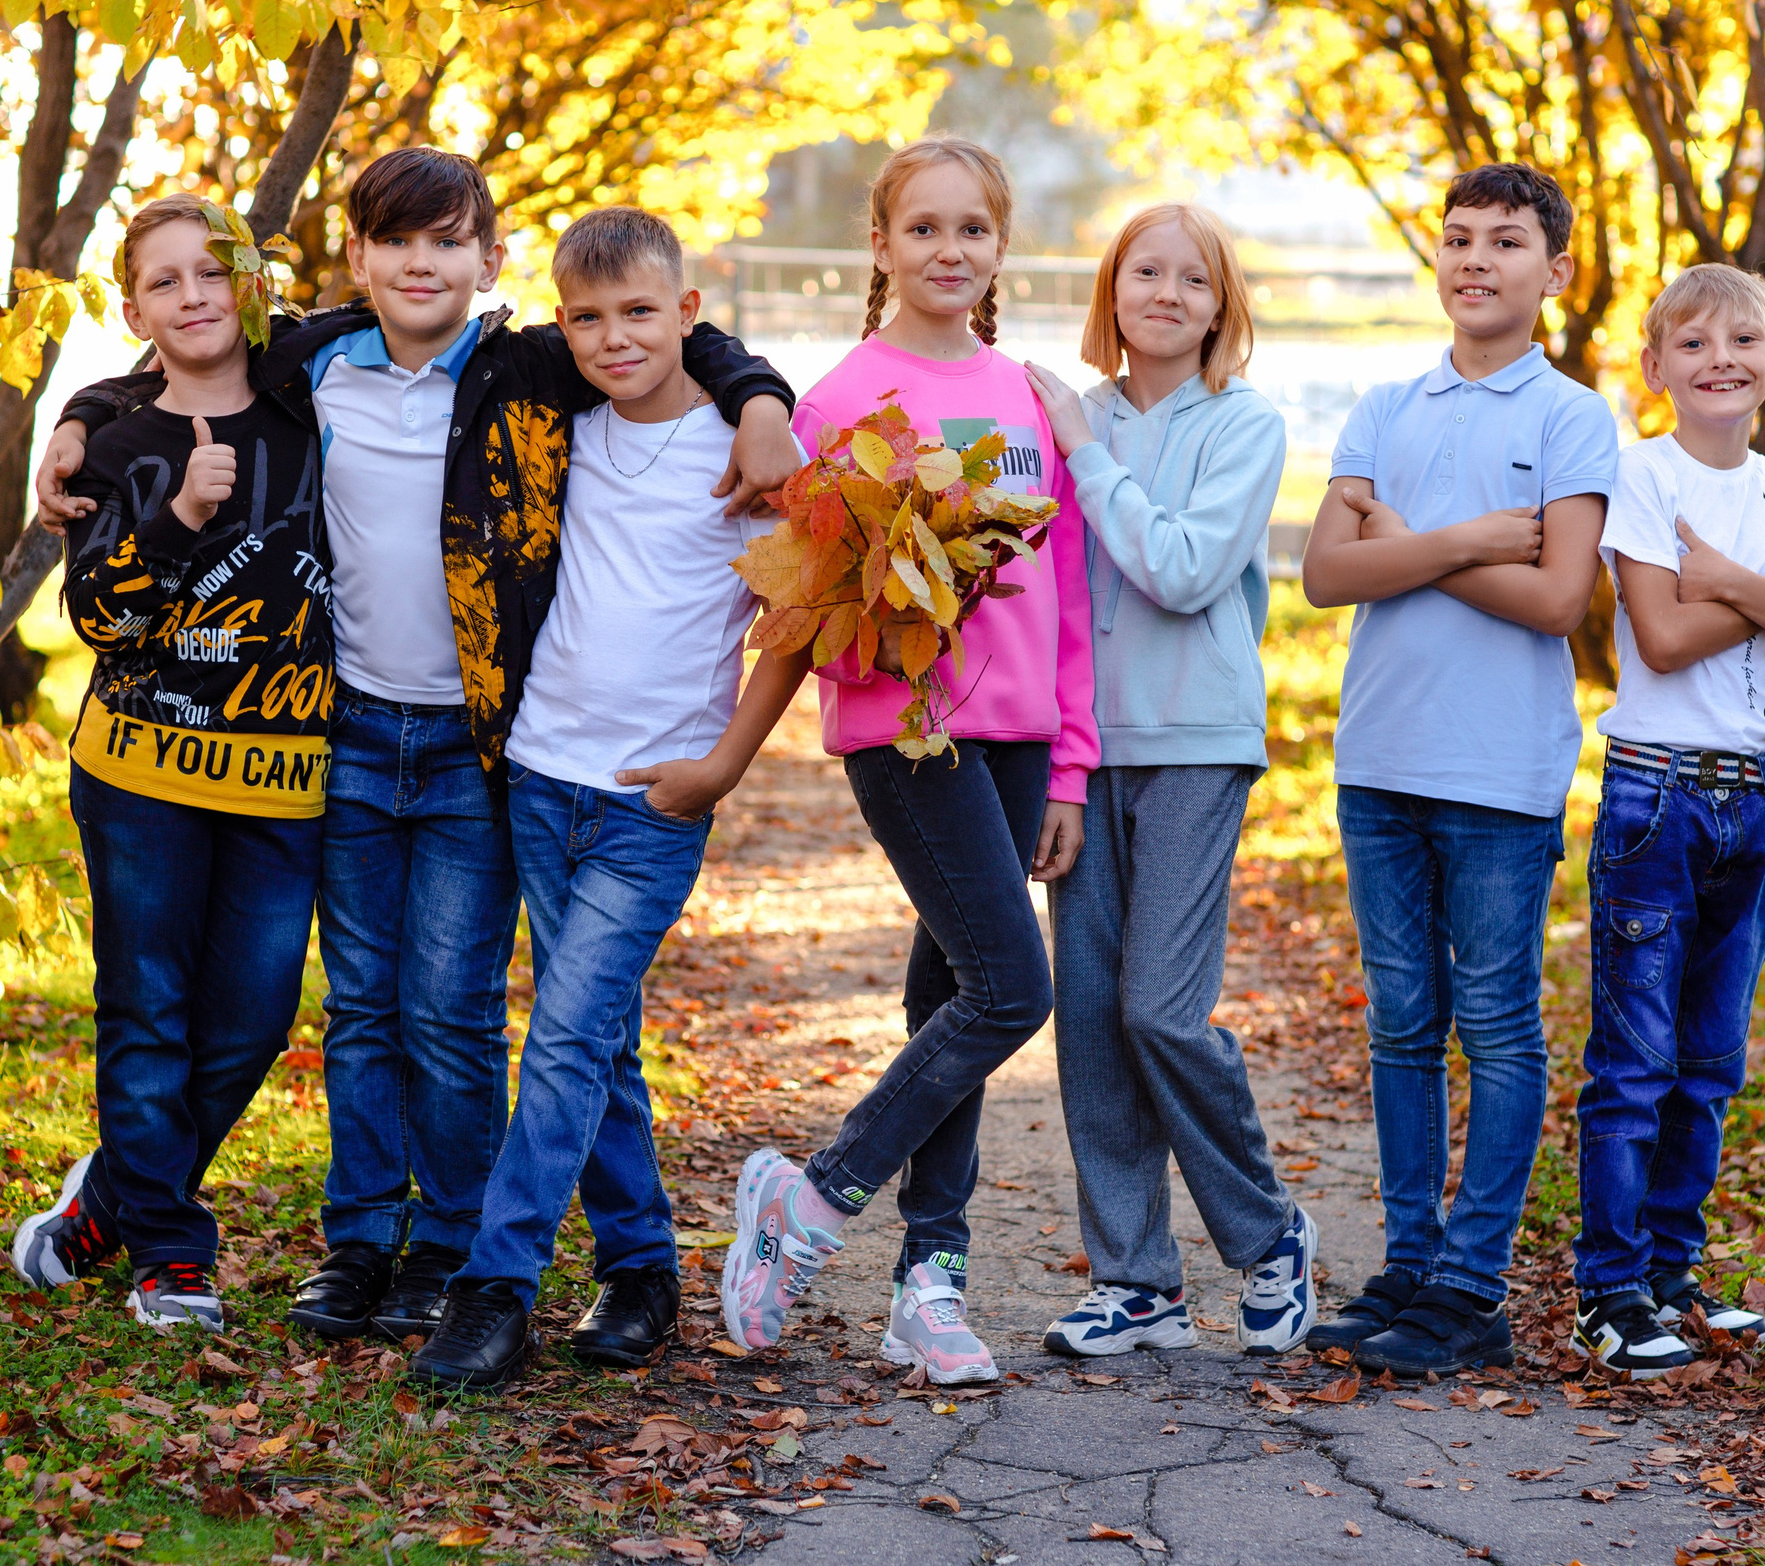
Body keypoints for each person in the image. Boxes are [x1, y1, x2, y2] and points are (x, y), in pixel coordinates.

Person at [32, 149, 799, 1345]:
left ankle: (447, 1244)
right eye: (397, 243)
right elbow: (186, 361)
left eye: (448, 241)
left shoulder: (533, 366)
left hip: (475, 749)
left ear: (490, 260)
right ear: (359, 262)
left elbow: (678, 339)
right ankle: (358, 1242)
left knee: (450, 1008)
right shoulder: (314, 360)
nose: (421, 263)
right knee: (361, 1007)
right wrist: (78, 424)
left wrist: (760, 403)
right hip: (341, 731)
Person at [408, 208, 815, 1390]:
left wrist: (724, 768)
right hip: (541, 779)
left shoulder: (749, 457)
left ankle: (498, 1286)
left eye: (640, 311)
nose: (611, 337)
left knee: (568, 1035)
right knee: (600, 1046)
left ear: (690, 312)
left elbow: (793, 630)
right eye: (586, 318)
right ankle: (642, 1268)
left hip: (657, 801)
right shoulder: (560, 426)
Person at [718, 135, 1097, 1386]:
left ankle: (927, 1282)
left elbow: (1072, 594)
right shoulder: (840, 402)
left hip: (1018, 736)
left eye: (971, 229)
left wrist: (1068, 768)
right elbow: (812, 600)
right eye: (922, 228)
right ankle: (814, 1197)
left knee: (953, 1002)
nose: (948, 249)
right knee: (1010, 990)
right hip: (907, 732)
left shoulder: (1031, 395)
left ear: (999, 248)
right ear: (878, 246)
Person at [1298, 161, 1618, 1377]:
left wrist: (1404, 543)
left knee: (1494, 1022)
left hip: (1499, 773)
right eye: (1457, 240)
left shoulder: (1569, 416)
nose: (1475, 261)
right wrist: (1466, 537)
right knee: (1399, 1024)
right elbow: (1328, 574)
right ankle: (1410, 1265)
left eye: (1504, 243)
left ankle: (1474, 1285)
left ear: (1554, 272)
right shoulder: (1385, 405)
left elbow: (1554, 599)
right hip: (1379, 757)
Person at [9, 194, 330, 1332]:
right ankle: (171, 1252)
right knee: (147, 1006)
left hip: (285, 780)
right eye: (163, 281)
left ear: (249, 281)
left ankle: (109, 1200)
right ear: (131, 302)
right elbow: (97, 617)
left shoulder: (311, 395)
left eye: (211, 273)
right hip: (141, 772)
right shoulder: (122, 440)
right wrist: (179, 519)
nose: (192, 296)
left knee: (250, 1019)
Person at [1018, 204, 1316, 1358]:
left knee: (1157, 1006)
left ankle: (1267, 1235)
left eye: (1195, 279)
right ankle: (1137, 1279)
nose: (1168, 292)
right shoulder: (1066, 418)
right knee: (1091, 1020)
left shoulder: (1244, 427)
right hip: (1078, 751)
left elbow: (1184, 571)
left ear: (1221, 305)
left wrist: (1086, 458)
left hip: (1194, 740)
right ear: (1111, 291)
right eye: (1146, 271)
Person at [1568, 264, 1765, 1376]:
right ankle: (1609, 1289)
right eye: (1692, 346)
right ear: (1655, 368)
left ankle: (1671, 1275)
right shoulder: (1639, 474)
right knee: (1634, 1059)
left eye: (1745, 340)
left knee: (1710, 1059)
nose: (1720, 360)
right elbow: (1657, 638)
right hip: (1656, 799)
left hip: (1757, 806)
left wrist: (1727, 579)